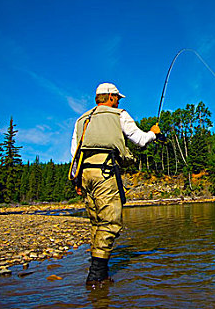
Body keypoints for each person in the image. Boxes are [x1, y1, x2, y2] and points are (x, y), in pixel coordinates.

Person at [70, 82, 163, 286]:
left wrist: (77, 181)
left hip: (85, 175)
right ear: (111, 97)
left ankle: (97, 270)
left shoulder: (81, 120)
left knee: (96, 222)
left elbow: (74, 152)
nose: (118, 101)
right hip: (105, 172)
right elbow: (139, 139)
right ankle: (96, 276)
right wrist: (154, 133)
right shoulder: (119, 114)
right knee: (110, 223)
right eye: (117, 98)